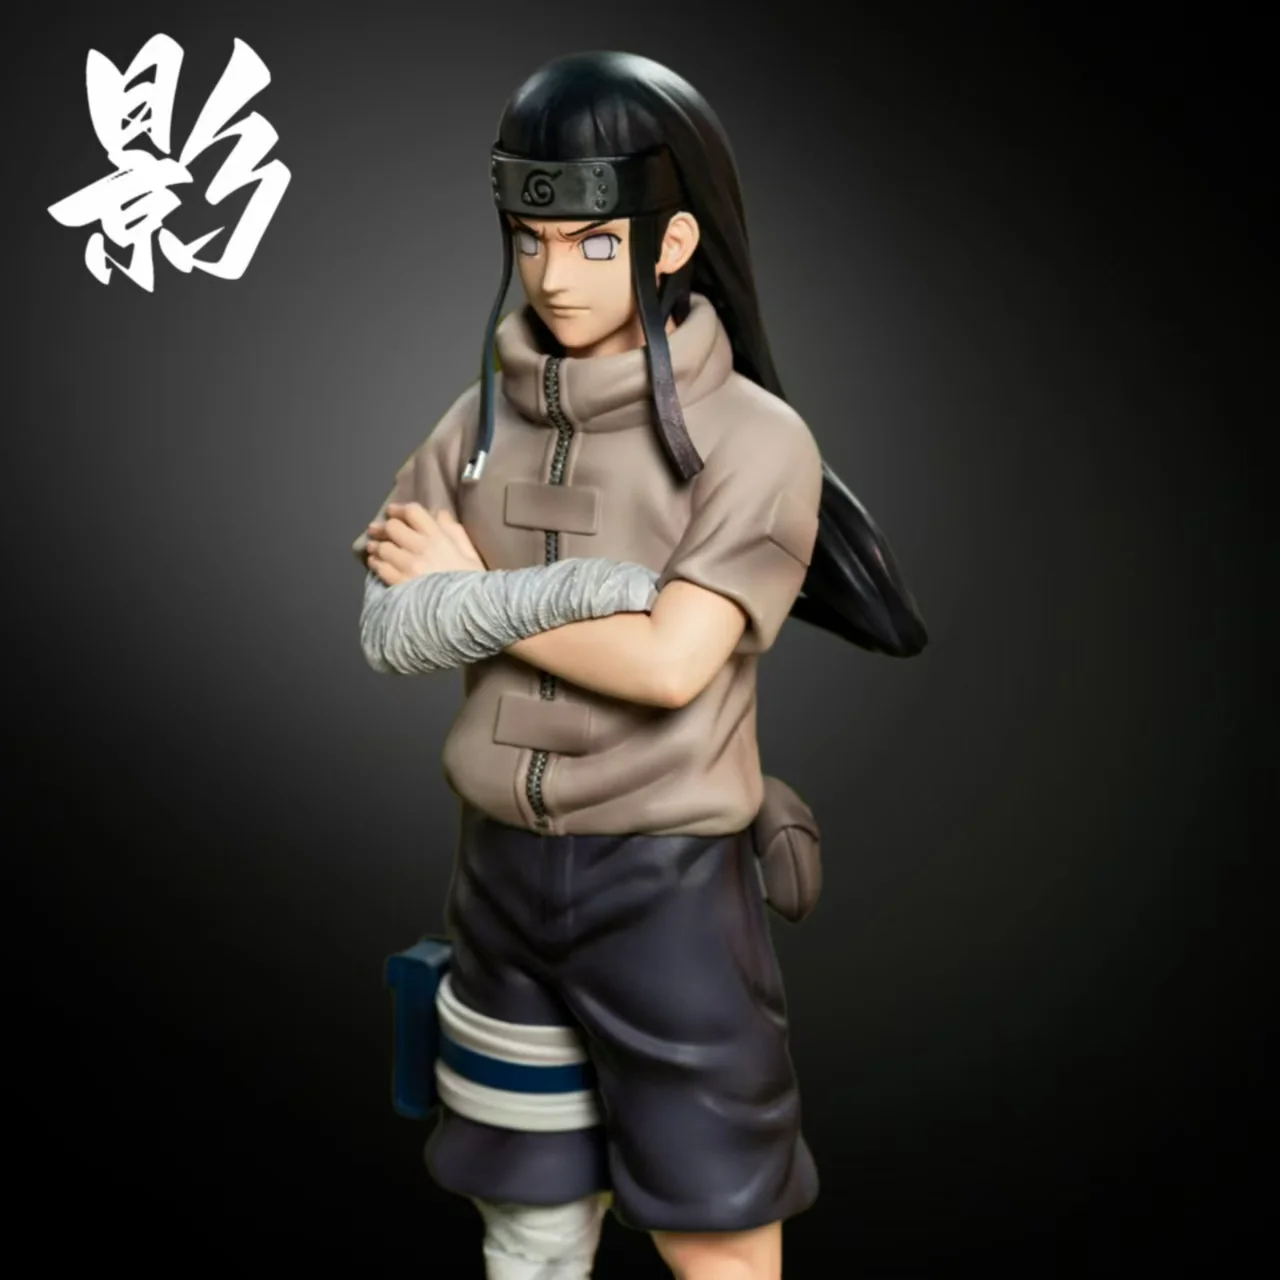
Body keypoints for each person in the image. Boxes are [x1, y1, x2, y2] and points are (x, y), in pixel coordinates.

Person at [355, 50, 926, 1280]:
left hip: (664, 891)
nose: (554, 275)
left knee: (714, 1223)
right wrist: (570, 599)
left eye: (594, 241)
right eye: (530, 239)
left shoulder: (752, 440)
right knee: (526, 1219)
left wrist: (472, 596)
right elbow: (389, 623)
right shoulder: (475, 423)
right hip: (495, 880)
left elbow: (670, 660)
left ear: (671, 241)